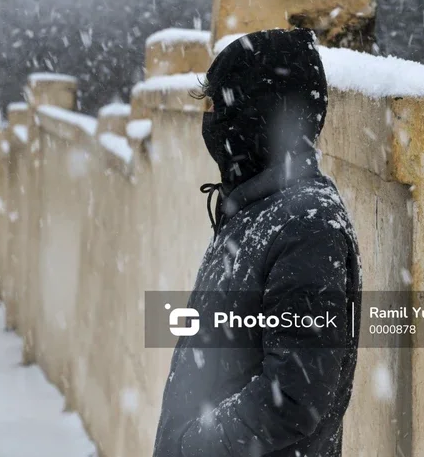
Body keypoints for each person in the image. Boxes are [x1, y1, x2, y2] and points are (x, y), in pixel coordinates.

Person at [152, 28, 362, 457]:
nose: (209, 121)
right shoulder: (254, 209)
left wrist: (193, 446)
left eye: (217, 105)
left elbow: (294, 396)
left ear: (259, 111)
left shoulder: (307, 226)